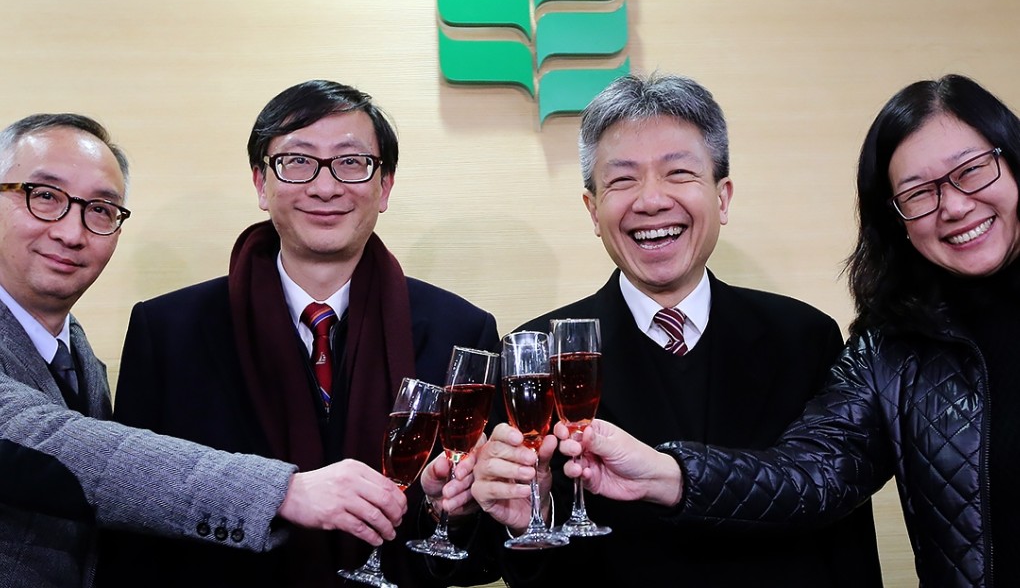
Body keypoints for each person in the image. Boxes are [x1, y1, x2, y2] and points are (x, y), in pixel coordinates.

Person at [555, 73, 1020, 587]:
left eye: (973, 171)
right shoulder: (892, 351)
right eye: (919, 193)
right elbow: (813, 479)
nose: (953, 206)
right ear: (897, 219)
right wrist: (669, 474)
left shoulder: (804, 335)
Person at [467, 73, 883, 587]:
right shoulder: (534, 354)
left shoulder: (805, 339)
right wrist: (530, 515)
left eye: (678, 173)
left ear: (723, 196)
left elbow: (840, 535)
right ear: (593, 210)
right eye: (622, 180)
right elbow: (523, 564)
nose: (651, 200)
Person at [103, 80, 501, 587]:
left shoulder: (462, 332)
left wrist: (457, 512)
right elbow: (134, 518)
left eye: (352, 162)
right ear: (260, 184)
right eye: (298, 161)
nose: (325, 186)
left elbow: (483, 557)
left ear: (385, 187)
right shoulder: (168, 331)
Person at [0, 113, 415, 588]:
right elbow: (60, 446)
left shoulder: (79, 358)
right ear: (262, 182)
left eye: (100, 209)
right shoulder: (167, 328)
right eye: (44, 196)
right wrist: (283, 492)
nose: (72, 232)